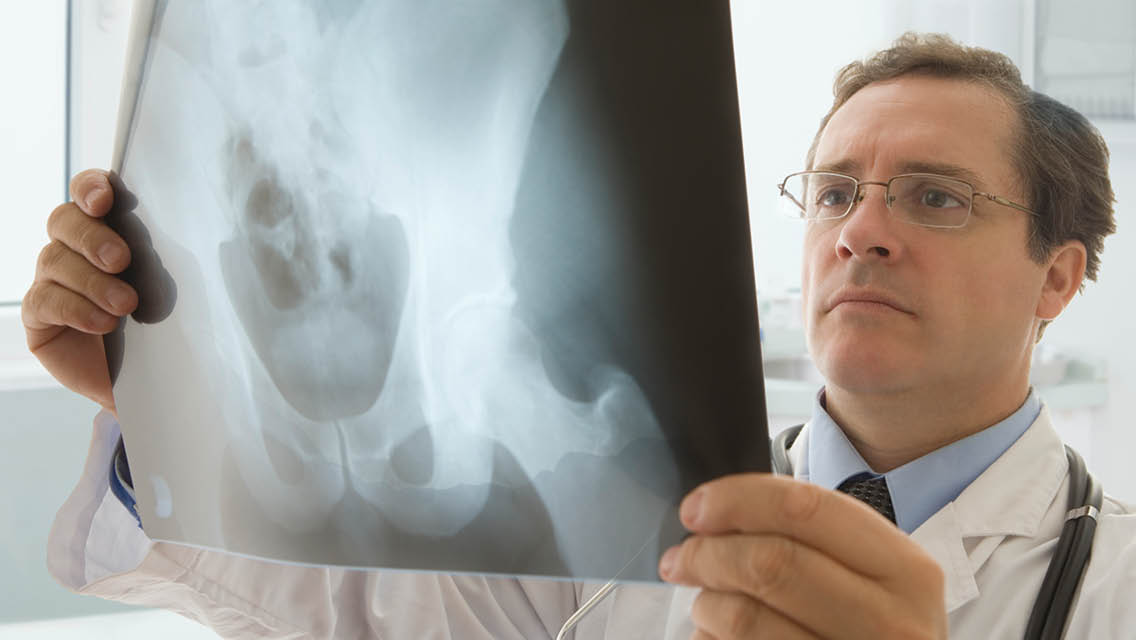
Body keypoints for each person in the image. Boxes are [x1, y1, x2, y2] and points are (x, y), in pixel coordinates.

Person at [28, 32, 1136, 639]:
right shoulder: (627, 531)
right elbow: (348, 614)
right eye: (837, 193)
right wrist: (156, 393)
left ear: (1056, 276)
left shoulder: (1113, 587)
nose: (860, 233)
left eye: (935, 197)